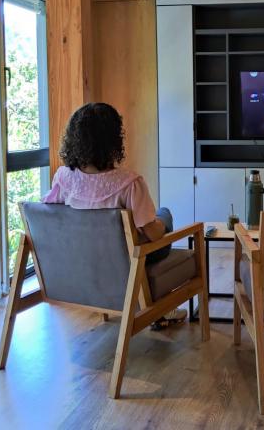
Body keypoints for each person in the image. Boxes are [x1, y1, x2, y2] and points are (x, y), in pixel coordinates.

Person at [42, 102, 186, 327]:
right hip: (125, 261)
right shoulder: (130, 183)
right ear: (113, 140)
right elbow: (154, 235)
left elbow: (49, 210)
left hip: (84, 258)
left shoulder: (63, 177)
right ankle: (157, 308)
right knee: (163, 216)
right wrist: (160, 223)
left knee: (151, 222)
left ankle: (160, 311)